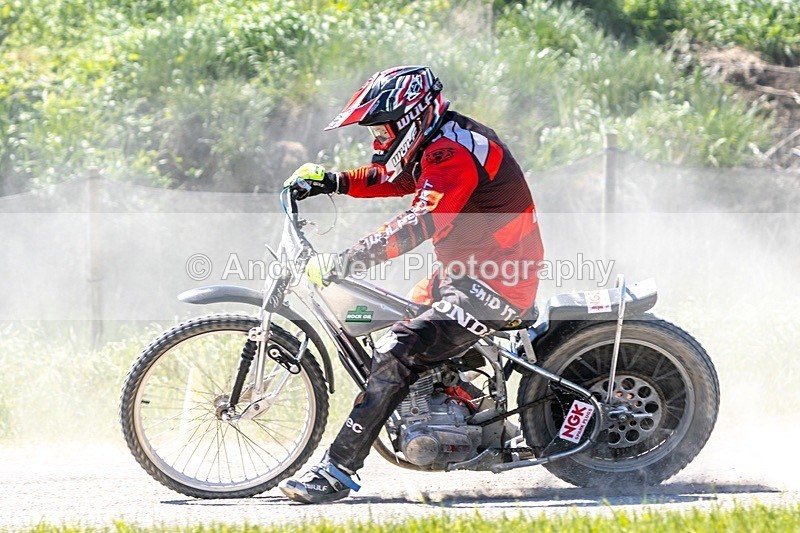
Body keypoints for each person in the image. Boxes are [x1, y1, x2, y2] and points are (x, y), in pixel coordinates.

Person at [279, 66, 544, 504]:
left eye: (381, 129)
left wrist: (347, 259)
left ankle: (337, 471)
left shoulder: (453, 152)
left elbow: (420, 223)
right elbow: (398, 177)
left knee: (396, 348)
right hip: (464, 274)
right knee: (397, 323)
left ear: (411, 117)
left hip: (495, 284)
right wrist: (334, 181)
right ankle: (468, 409)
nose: (376, 141)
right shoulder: (438, 141)